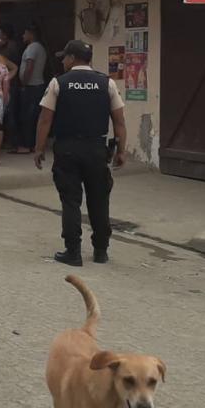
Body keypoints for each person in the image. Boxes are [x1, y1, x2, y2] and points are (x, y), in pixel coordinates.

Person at [34, 39, 127, 267]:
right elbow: (119, 121)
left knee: (71, 200)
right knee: (99, 199)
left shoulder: (59, 83)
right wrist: (121, 151)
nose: (63, 61)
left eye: (65, 57)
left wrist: (38, 148)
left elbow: (45, 119)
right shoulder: (107, 83)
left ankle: (73, 252)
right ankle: (101, 251)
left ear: (73, 58)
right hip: (97, 149)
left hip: (68, 149)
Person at [17, 25, 48, 154]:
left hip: (32, 87)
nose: (23, 36)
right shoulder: (39, 47)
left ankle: (27, 144)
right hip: (36, 86)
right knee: (33, 116)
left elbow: (29, 66)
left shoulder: (33, 48)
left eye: (25, 33)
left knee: (28, 117)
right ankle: (32, 144)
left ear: (31, 34)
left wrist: (24, 83)